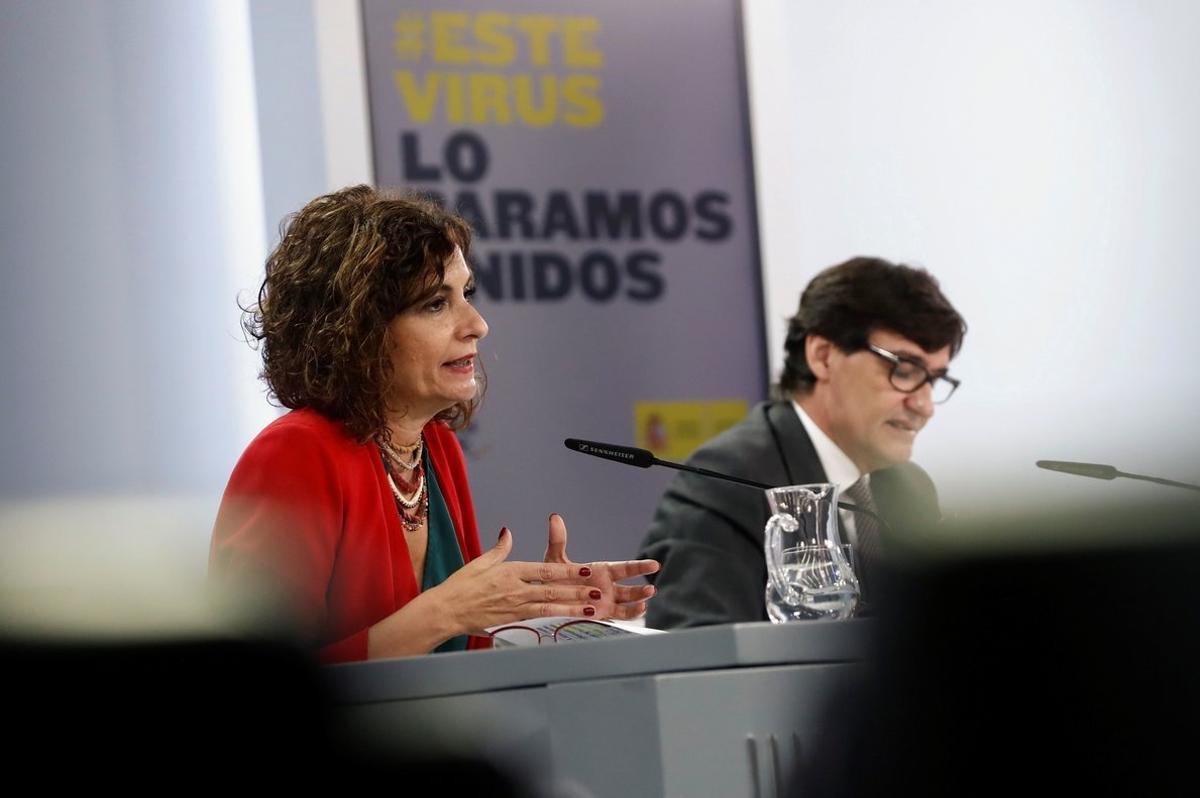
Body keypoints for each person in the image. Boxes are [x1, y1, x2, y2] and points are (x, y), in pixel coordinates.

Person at [210, 186, 658, 663]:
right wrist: (449, 610)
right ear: (358, 329)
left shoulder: (435, 447)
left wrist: (545, 616)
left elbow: (451, 657)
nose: (477, 324)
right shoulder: (296, 455)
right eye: (435, 304)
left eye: (466, 293)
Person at [638, 256, 966, 628]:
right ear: (823, 357)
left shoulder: (909, 489)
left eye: (935, 380)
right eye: (904, 371)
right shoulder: (727, 480)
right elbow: (698, 654)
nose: (923, 406)